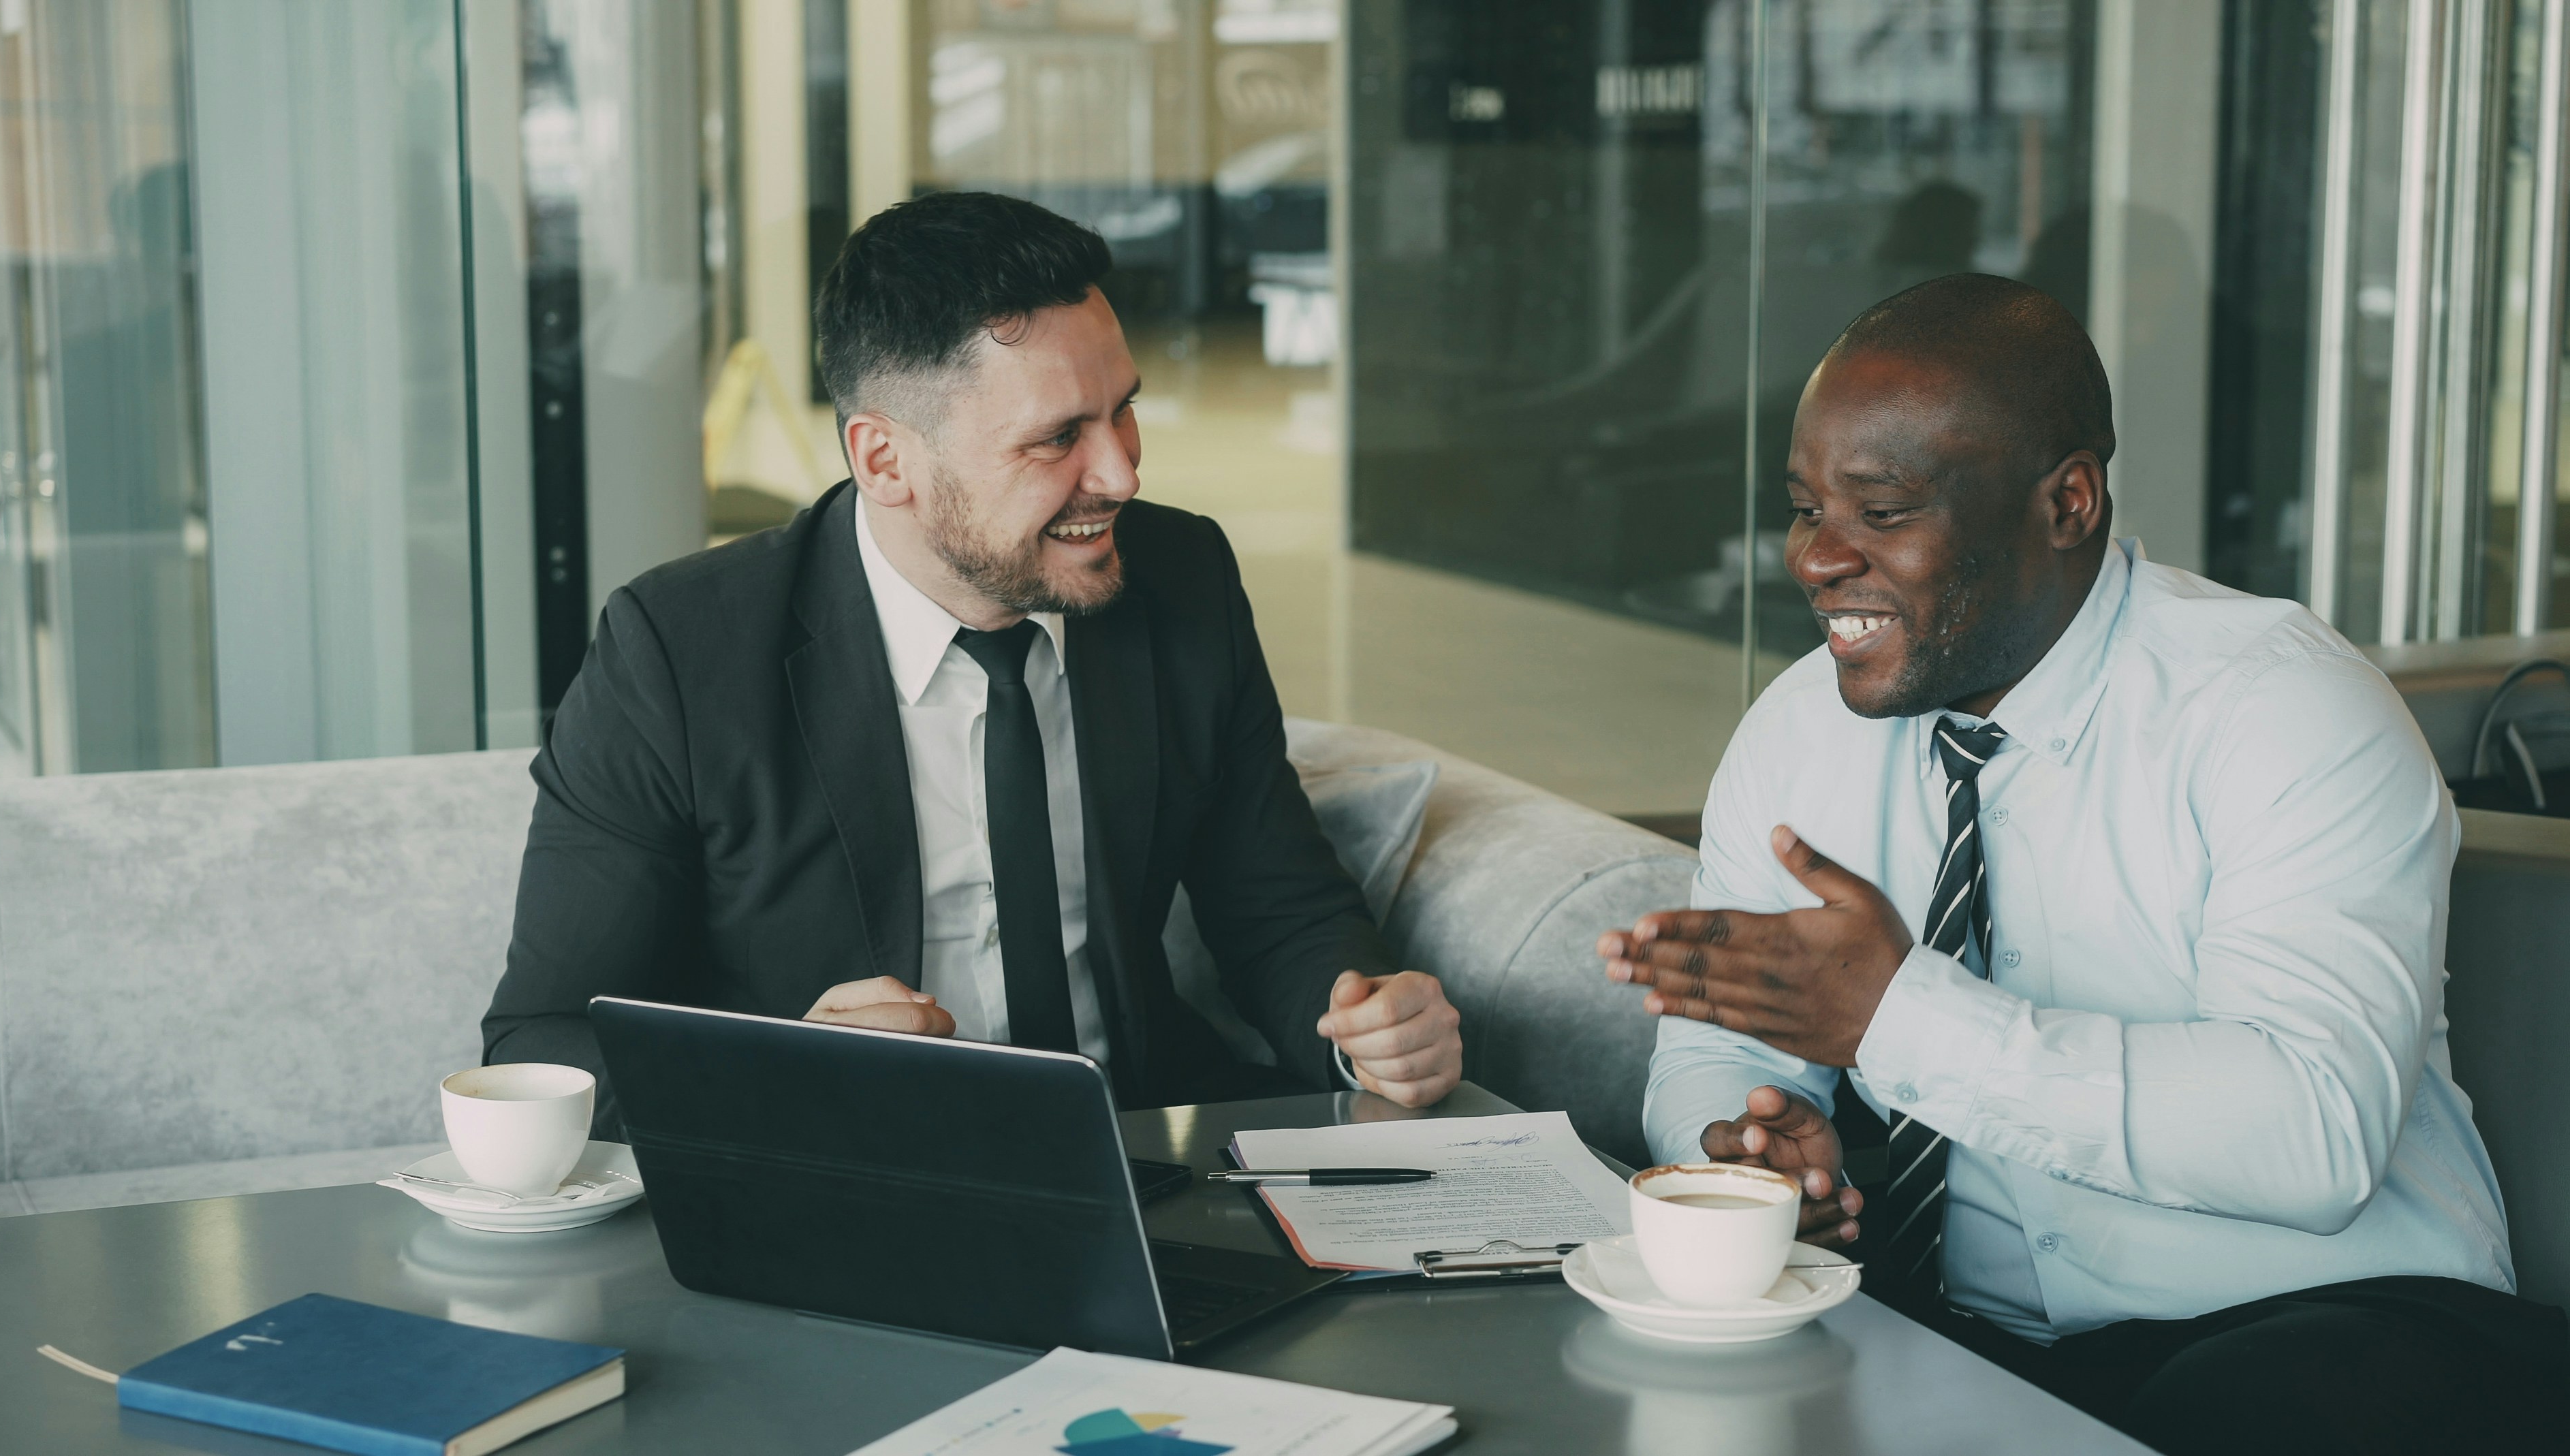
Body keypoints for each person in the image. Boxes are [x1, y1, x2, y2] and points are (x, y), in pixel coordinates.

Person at [1599, 274, 2562, 1453]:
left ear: (2067, 501)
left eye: (1882, 512)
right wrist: (1746, 1153)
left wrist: (1898, 1017)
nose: (1815, 559)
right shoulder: (1799, 734)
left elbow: (2315, 1132)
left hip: (2330, 1322)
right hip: (1963, 1327)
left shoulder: (2286, 708)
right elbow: (1716, 1047)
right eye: (1805, 508)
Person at [483, 191, 1462, 1134]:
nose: (1122, 471)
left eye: (1123, 410)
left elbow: (1279, 907)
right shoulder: (678, 652)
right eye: (1057, 439)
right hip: (843, 1182)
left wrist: (1368, 1025)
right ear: (884, 460)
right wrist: (776, 1076)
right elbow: (539, 1043)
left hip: (1143, 1157)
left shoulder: (1183, 577)